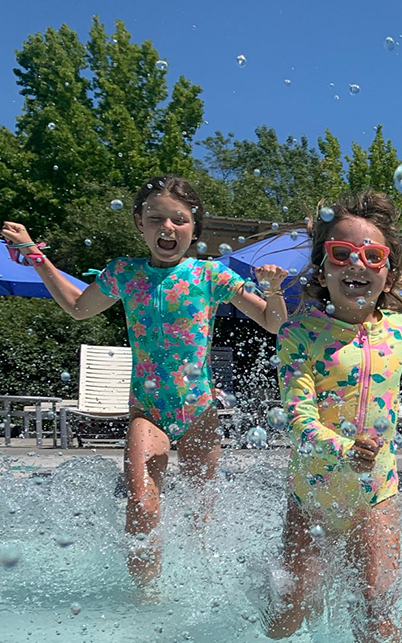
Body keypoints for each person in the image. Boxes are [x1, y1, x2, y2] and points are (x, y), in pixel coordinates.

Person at [1, 176, 288, 585]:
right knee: (140, 503)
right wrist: (34, 254)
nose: (167, 228)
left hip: (199, 411)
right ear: (139, 223)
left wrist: (274, 291)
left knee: (199, 517)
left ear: (195, 228)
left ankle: (198, 587)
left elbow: (274, 323)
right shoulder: (125, 273)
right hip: (148, 411)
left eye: (179, 219)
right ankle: (145, 599)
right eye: (156, 218)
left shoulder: (211, 276)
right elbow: (78, 308)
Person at [267, 189, 402, 643]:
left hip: (376, 493)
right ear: (322, 267)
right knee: (289, 616)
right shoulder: (299, 334)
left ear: (388, 274)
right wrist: (343, 448)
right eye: (342, 253)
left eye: (373, 256)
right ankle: (264, 591)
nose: (357, 265)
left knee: (377, 610)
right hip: (313, 494)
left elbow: (387, 339)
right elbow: (298, 416)